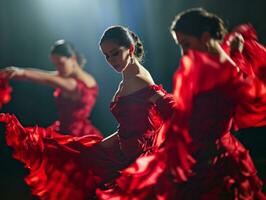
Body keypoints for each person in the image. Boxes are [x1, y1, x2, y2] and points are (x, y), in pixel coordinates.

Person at [97, 8, 266, 200]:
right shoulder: (199, 67)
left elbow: (184, 109)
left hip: (216, 157)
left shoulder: (226, 69)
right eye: (180, 45)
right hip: (196, 153)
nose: (184, 51)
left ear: (204, 37)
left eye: (186, 43)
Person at [0, 26, 176, 199]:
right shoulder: (129, 77)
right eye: (107, 56)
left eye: (115, 53)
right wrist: (102, 146)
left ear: (130, 48)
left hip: (132, 161)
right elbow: (135, 125)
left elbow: (170, 108)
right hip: (123, 153)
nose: (112, 60)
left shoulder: (136, 79)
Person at [0, 39, 102, 137]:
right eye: (55, 65)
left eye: (61, 64)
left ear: (73, 59)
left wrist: (21, 72)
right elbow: (45, 75)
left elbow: (47, 79)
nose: (58, 68)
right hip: (64, 130)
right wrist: (19, 72)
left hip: (76, 136)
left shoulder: (73, 83)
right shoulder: (78, 77)